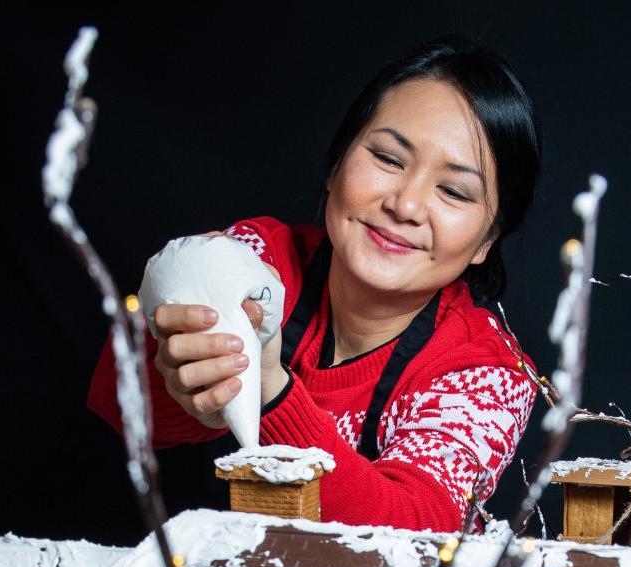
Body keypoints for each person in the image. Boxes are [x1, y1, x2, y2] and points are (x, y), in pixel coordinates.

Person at [88, 36, 541, 533]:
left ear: (485, 242)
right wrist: (184, 377)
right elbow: (115, 397)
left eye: (453, 191)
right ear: (336, 165)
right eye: (389, 159)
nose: (405, 205)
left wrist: (269, 392)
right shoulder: (257, 260)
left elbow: (417, 534)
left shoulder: (489, 372)